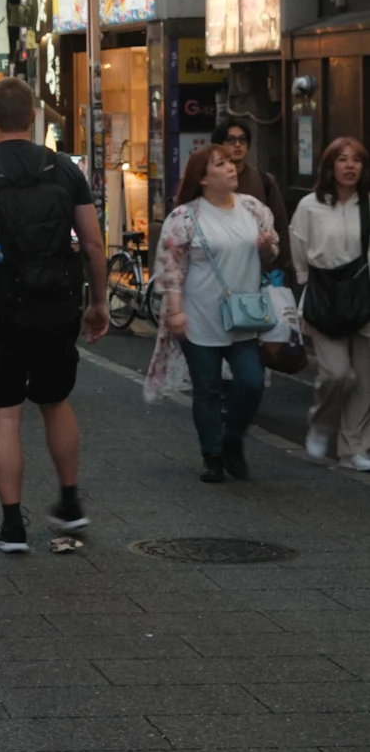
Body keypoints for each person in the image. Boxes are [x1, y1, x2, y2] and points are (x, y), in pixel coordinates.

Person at [0, 76, 108, 550]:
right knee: (56, 402)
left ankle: (13, 526)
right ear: (32, 118)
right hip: (56, 303)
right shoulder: (62, 168)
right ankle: (69, 502)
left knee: (4, 417)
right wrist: (98, 301)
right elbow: (92, 243)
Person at [146, 143, 279, 481]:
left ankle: (232, 438)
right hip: (199, 312)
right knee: (206, 388)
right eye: (221, 164)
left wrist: (267, 248)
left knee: (250, 383)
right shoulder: (185, 217)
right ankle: (213, 455)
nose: (231, 167)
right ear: (203, 178)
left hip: (244, 314)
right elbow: (170, 267)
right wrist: (175, 311)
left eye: (231, 163)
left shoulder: (253, 209)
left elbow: (270, 257)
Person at [290, 136, 370, 467]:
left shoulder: (367, 204)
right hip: (324, 296)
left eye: (356, 160)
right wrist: (308, 284)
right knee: (336, 373)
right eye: (342, 159)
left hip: (364, 296)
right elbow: (299, 250)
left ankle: (354, 448)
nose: (350, 166)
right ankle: (321, 426)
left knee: (365, 379)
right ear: (329, 166)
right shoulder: (310, 205)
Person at [216, 120, 292, 279]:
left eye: (242, 140)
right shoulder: (208, 182)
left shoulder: (264, 181)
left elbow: (281, 226)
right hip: (218, 266)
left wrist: (285, 268)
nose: (237, 145)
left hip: (259, 270)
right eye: (230, 140)